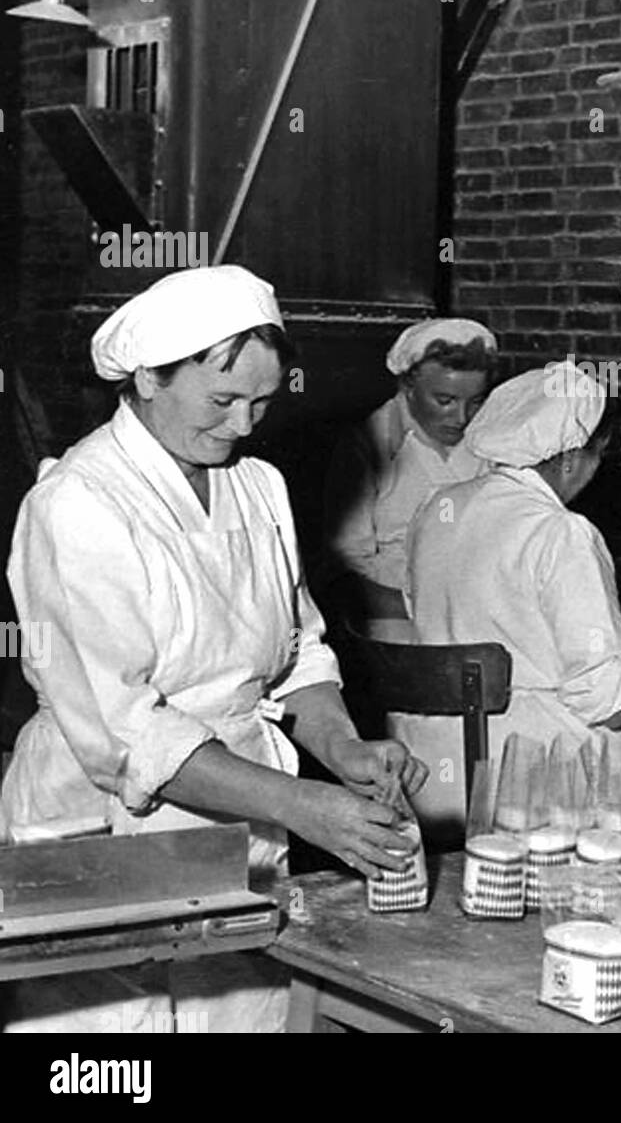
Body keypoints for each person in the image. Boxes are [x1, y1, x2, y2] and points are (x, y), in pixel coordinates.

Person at [0, 265, 425, 1034]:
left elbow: (295, 653)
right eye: (222, 400)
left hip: (240, 819)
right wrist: (299, 803)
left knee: (242, 1016)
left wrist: (343, 747)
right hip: (105, 823)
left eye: (261, 403)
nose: (243, 426)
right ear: (149, 378)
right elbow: (125, 732)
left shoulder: (257, 487)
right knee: (114, 1051)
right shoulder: (77, 503)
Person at [403, 360, 621, 832]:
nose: (594, 471)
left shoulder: (437, 507)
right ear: (568, 457)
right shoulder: (560, 532)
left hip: (438, 767)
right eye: (596, 456)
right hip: (533, 776)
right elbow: (611, 702)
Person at [322, 318, 497, 627]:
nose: (462, 418)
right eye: (444, 401)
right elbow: (344, 570)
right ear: (408, 387)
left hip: (482, 609)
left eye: (475, 402)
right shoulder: (368, 444)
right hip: (393, 616)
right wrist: (423, 613)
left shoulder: (495, 441)